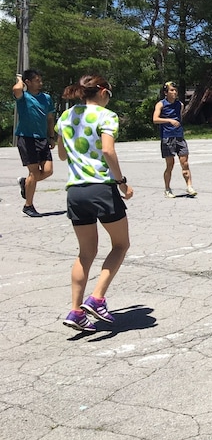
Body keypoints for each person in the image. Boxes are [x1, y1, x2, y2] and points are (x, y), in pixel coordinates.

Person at [56, 75, 134, 332]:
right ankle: (97, 298)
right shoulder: (106, 116)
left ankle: (76, 311)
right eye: (109, 93)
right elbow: (108, 151)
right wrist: (121, 182)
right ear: (102, 92)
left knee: (85, 253)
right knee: (121, 244)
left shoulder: (66, 117)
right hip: (101, 188)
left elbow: (62, 154)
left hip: (75, 192)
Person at [13, 69, 57, 217]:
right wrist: (20, 80)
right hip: (26, 138)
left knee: (48, 170)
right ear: (28, 82)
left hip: (42, 138)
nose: (40, 83)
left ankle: (26, 183)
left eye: (40, 80)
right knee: (34, 172)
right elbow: (17, 89)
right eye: (37, 81)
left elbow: (50, 118)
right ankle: (28, 205)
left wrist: (51, 136)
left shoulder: (46, 98)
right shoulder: (23, 97)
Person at [152, 82, 196, 198]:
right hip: (167, 137)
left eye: (175, 90)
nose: (174, 92)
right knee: (170, 165)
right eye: (172, 90)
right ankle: (167, 189)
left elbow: (179, 118)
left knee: (185, 163)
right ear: (166, 92)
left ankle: (189, 186)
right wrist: (169, 120)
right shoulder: (161, 104)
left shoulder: (180, 104)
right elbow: (155, 119)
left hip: (179, 137)